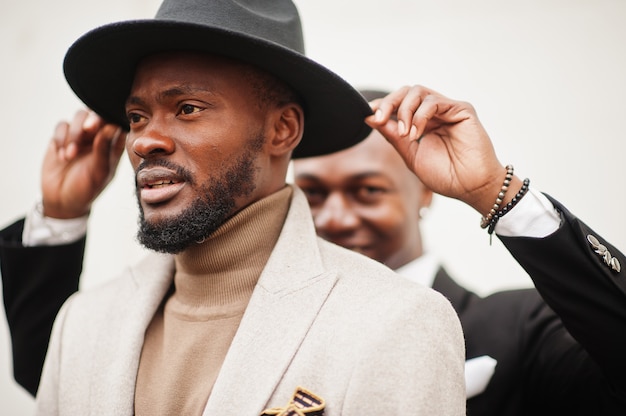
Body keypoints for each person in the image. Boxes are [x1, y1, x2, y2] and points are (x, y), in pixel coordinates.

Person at [1, 1, 467, 415]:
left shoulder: (396, 320)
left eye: (187, 108)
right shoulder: (81, 324)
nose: (145, 140)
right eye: (137, 116)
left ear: (283, 129)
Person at [292, 90, 626, 416]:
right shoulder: (279, 335)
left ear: (425, 191)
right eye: (313, 193)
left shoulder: (520, 326)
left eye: (368, 191)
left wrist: (495, 190)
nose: (334, 218)